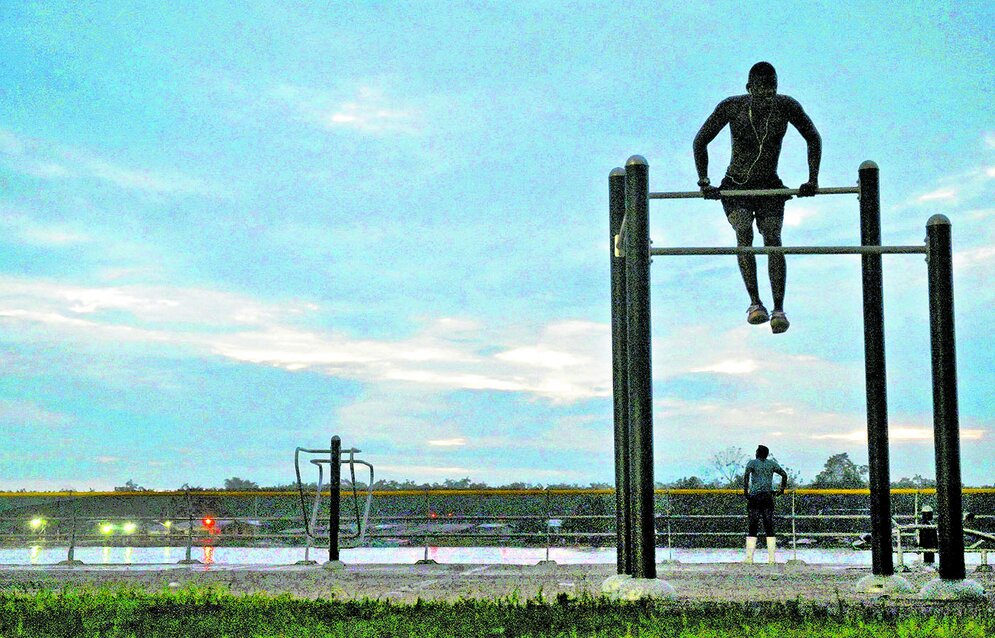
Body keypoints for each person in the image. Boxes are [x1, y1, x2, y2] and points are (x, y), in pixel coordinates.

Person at [693, 61, 822, 334]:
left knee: (773, 237)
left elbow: (813, 137)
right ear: (749, 88)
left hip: (768, 185)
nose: (766, 96)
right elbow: (700, 141)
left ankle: (778, 308)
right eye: (761, 90)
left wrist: (813, 179)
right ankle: (755, 303)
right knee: (743, 231)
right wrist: (704, 182)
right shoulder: (732, 107)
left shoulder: (787, 106)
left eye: (771, 89)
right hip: (736, 185)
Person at [743, 444, 788, 563]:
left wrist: (746, 492)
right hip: (767, 497)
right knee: (769, 526)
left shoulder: (752, 463)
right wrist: (781, 489)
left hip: (755, 497)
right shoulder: (771, 464)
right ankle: (772, 559)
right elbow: (784, 474)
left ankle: (749, 558)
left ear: (758, 453)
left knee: (753, 525)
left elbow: (746, 476)